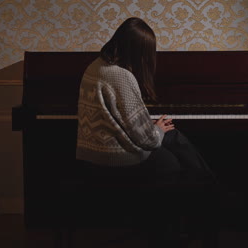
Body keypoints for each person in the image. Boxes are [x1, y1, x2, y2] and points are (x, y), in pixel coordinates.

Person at [75, 17, 216, 248]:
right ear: (137, 51)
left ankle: (204, 190)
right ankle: (173, 227)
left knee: (173, 138)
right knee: (171, 162)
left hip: (92, 153)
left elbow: (119, 119)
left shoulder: (95, 66)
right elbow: (148, 141)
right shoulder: (121, 76)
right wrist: (156, 129)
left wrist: (155, 128)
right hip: (115, 158)